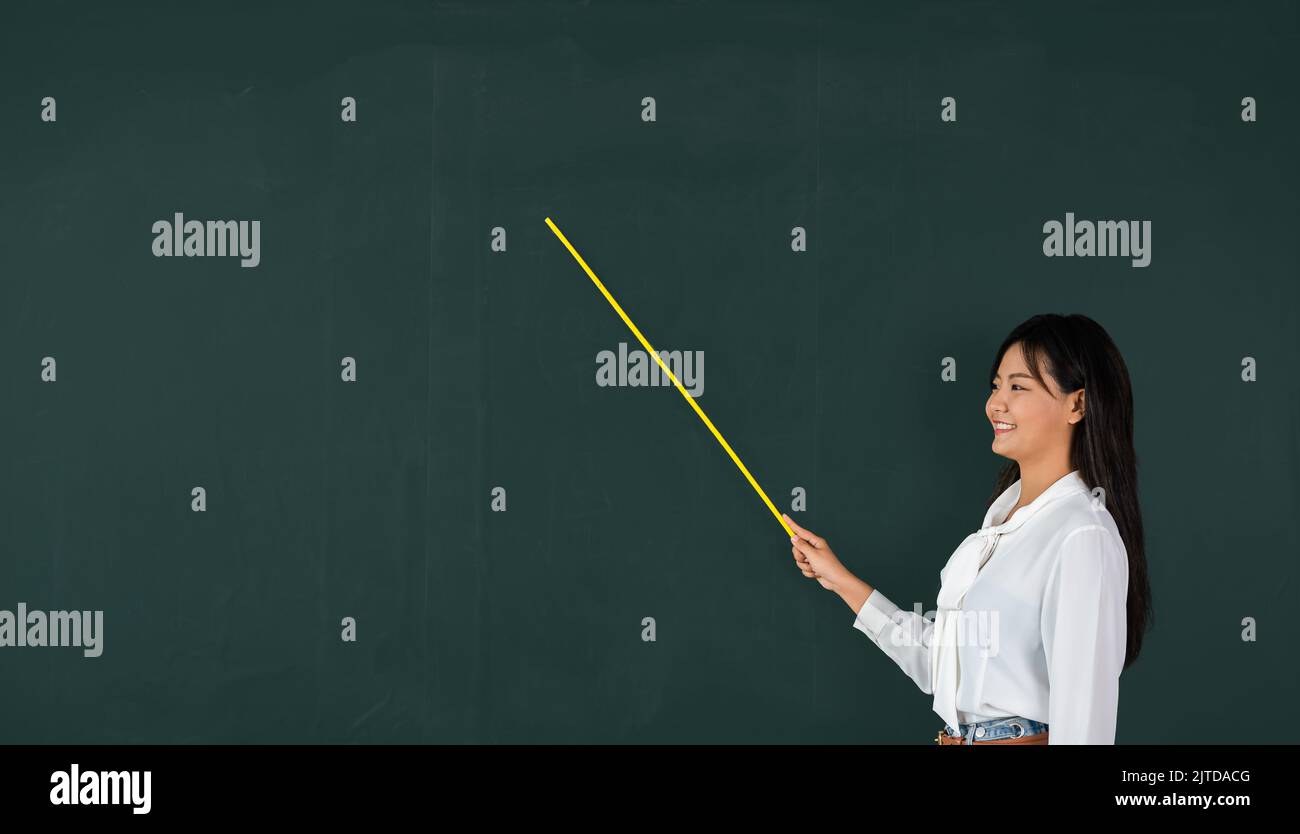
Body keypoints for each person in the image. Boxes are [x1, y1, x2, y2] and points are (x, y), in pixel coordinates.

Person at [786, 313, 1152, 745]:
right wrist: (840, 580)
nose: (996, 403)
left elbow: (1084, 720)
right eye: (996, 385)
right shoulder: (999, 526)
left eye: (1018, 386)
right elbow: (938, 665)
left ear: (1077, 404)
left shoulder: (1081, 533)